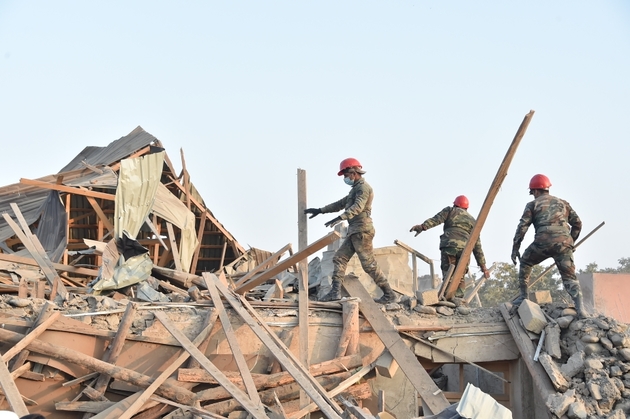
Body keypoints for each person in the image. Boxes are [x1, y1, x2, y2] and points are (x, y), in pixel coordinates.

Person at [304, 158, 397, 304]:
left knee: (369, 265)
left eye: (346, 175)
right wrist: (320, 210)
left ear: (353, 172)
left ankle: (389, 294)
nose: (345, 178)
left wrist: (341, 217)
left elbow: (357, 207)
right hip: (355, 230)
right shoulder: (355, 189)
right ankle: (335, 293)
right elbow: (340, 204)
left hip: (362, 230)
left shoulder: (363, 188)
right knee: (339, 258)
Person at [511, 174, 587, 317]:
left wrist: (515, 249)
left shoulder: (532, 205)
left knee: (526, 262)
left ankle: (523, 297)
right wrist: (571, 242)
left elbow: (522, 227)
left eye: (532, 192)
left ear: (536, 191)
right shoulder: (563, 203)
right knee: (569, 277)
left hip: (542, 243)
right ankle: (580, 308)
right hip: (564, 244)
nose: (533, 195)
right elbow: (578, 223)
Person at [410, 195, 489, 298]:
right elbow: (477, 245)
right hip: (464, 250)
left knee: (448, 273)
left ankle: (448, 298)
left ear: (455, 204)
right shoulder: (473, 221)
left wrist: (422, 227)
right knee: (460, 276)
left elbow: (436, 220)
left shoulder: (450, 210)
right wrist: (484, 267)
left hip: (449, 246)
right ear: (466, 208)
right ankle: (458, 300)